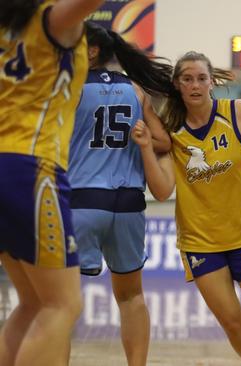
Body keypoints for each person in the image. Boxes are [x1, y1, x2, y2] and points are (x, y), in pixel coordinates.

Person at [130, 51, 241, 365]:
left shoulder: (239, 113)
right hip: (201, 244)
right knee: (233, 324)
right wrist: (146, 148)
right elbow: (163, 191)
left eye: (201, 78)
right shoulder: (172, 130)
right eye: (187, 79)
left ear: (212, 82)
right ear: (178, 85)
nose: (195, 85)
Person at [0, 0, 105, 365]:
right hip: (29, 168)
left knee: (33, 302)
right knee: (63, 304)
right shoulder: (51, 21)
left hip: (8, 167)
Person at [67, 21, 173, 366]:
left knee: (61, 302)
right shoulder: (136, 90)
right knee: (131, 298)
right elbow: (163, 142)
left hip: (82, 200)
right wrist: (137, 140)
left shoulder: (70, 87)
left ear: (93, 51)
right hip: (128, 205)